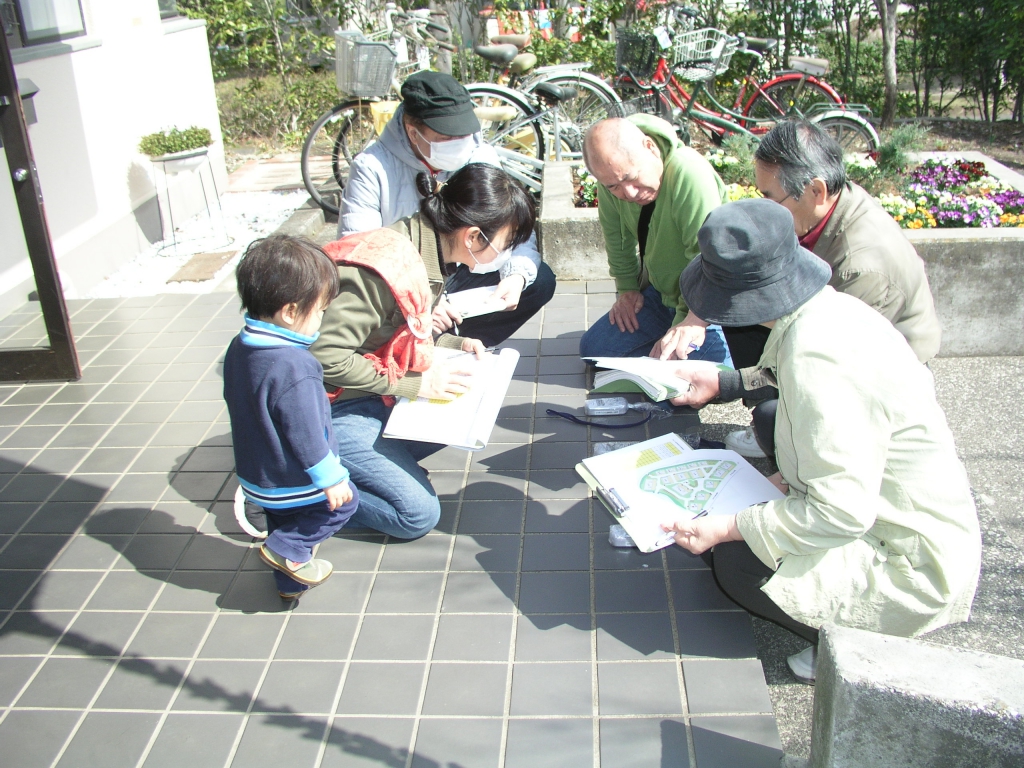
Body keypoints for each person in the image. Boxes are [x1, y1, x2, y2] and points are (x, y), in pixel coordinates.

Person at [663, 198, 980, 685]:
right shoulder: (829, 311)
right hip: (905, 515)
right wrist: (725, 384)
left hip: (911, 562)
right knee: (756, 481)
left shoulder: (817, 360)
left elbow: (840, 511)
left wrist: (729, 527)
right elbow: (782, 379)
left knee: (735, 560)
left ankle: (858, 645)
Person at [674, 120, 941, 459]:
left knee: (774, 420)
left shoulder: (862, 268)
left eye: (771, 198)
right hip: (833, 345)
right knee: (739, 301)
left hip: (875, 380)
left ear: (816, 190)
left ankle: (788, 447)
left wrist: (724, 384)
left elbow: (827, 363)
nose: (767, 209)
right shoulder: (824, 207)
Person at [311, 163, 536, 539]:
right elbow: (324, 357)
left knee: (464, 412)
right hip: (330, 409)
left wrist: (454, 344)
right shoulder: (382, 270)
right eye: (506, 243)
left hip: (366, 393)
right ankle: (301, 492)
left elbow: (393, 335)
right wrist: (414, 384)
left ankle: (371, 467)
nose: (505, 254)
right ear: (474, 236)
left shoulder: (425, 249)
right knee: (415, 515)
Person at [339, 70, 555, 347]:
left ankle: (455, 344)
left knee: (538, 281)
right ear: (412, 131)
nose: (459, 144)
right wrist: (419, 302)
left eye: (465, 134)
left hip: (463, 267)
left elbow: (511, 227)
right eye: (445, 137)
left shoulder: (478, 154)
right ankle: (415, 344)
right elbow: (357, 254)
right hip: (401, 283)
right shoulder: (372, 167)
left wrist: (516, 275)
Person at [223, 236, 360, 601]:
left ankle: (289, 584)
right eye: (319, 311)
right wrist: (331, 478)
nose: (321, 319)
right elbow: (307, 432)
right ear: (289, 311)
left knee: (282, 520)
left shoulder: (240, 346)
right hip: (293, 475)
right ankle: (286, 550)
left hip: (258, 473)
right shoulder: (296, 366)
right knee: (344, 506)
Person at [578, 115, 731, 364]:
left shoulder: (688, 173)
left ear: (650, 147)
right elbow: (617, 242)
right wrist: (627, 289)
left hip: (705, 303)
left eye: (630, 177)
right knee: (595, 350)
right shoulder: (611, 179)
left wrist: (685, 321)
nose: (628, 193)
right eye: (613, 187)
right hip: (663, 296)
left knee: (684, 376)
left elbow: (707, 260)